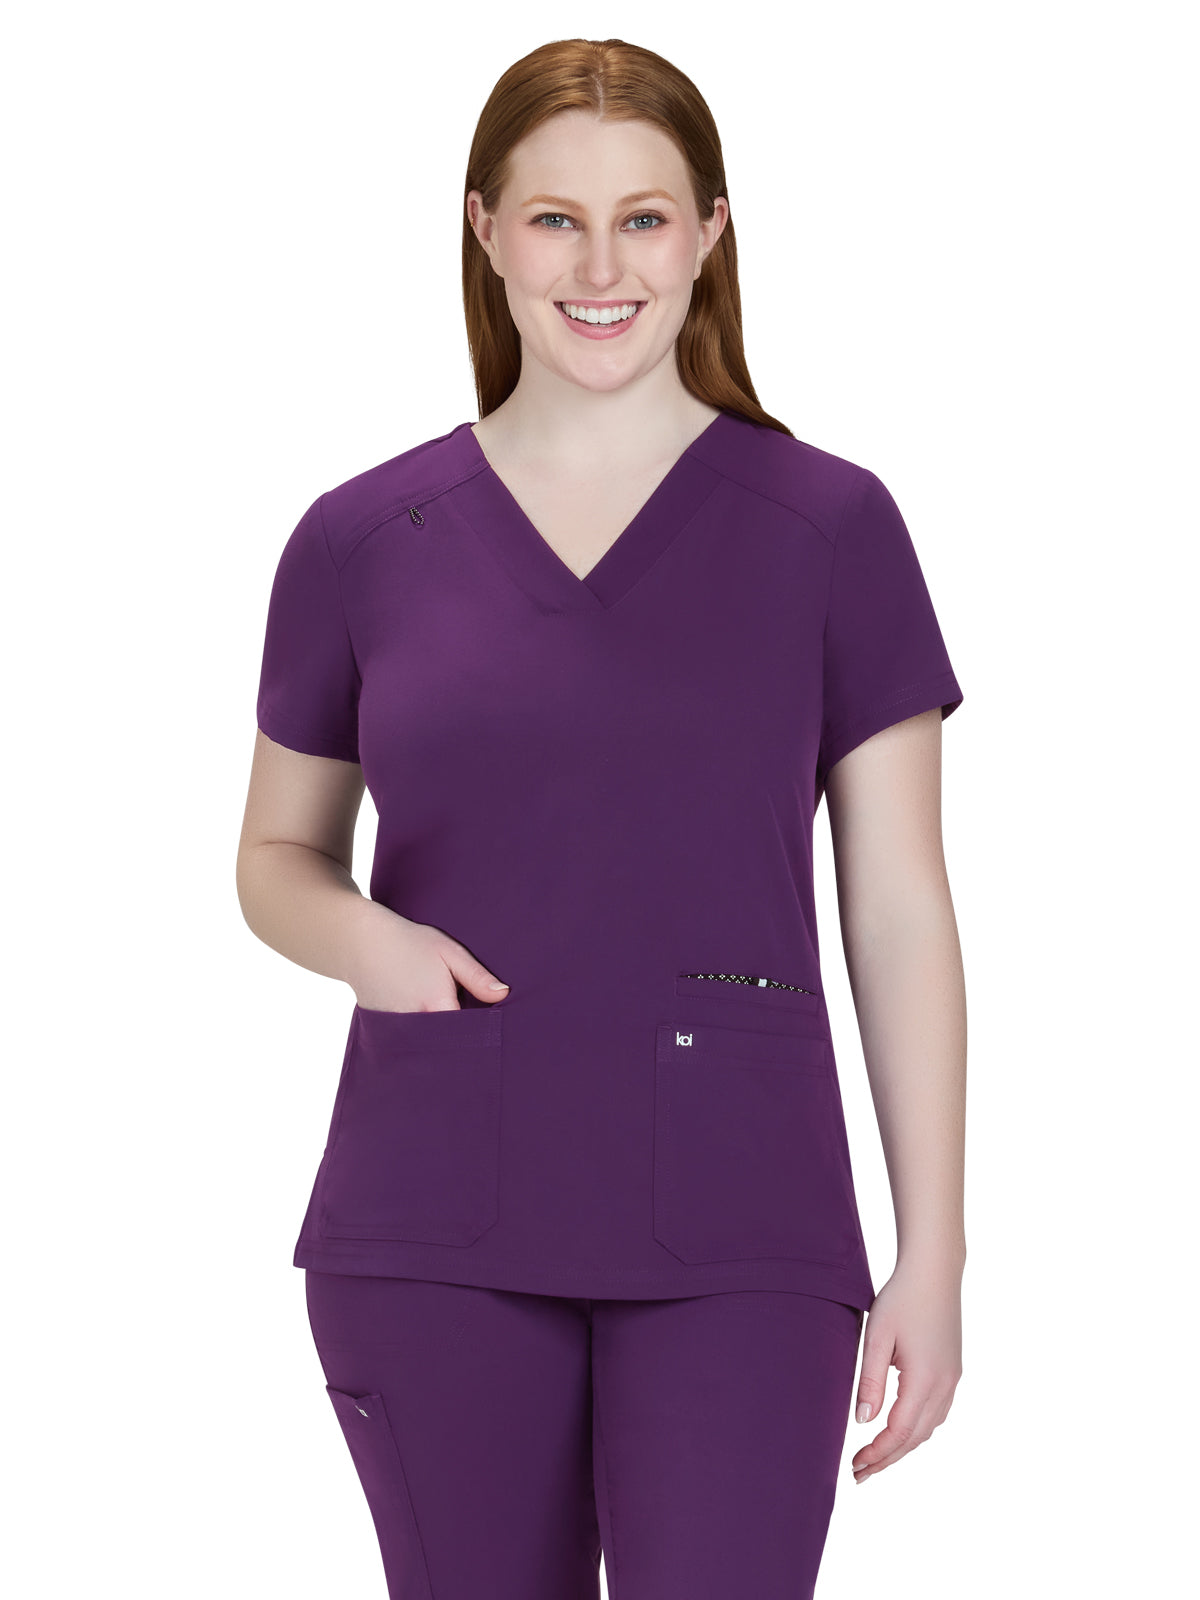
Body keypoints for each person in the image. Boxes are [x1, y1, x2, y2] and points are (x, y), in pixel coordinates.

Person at [236, 35, 967, 1600]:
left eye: (643, 218)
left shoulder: (831, 531)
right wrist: (371, 944)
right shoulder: (362, 541)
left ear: (709, 234)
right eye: (555, 219)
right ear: (486, 230)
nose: (600, 267)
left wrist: (936, 1249)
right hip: (433, 1210)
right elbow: (274, 858)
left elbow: (900, 907)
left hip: (746, 1218)